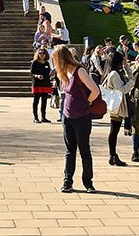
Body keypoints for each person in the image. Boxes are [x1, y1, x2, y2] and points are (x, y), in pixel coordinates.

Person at [53, 45, 100, 193]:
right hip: (67, 116)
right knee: (70, 150)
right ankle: (68, 182)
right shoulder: (63, 72)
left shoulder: (80, 71)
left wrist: (87, 102)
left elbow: (95, 90)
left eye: (55, 60)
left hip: (82, 117)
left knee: (84, 149)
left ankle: (88, 183)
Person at [102, 51, 134, 166]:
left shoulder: (117, 72)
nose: (124, 61)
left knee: (114, 130)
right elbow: (121, 90)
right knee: (114, 130)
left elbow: (130, 77)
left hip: (119, 104)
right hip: (117, 105)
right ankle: (112, 155)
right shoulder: (114, 74)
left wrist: (127, 67)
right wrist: (132, 83)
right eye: (122, 59)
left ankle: (113, 155)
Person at [30, 48, 52, 123]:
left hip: (45, 84)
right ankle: (35, 117)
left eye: (43, 53)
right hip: (37, 84)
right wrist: (37, 76)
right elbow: (31, 74)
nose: (42, 55)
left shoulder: (47, 63)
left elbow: (48, 73)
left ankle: (43, 117)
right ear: (37, 54)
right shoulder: (35, 63)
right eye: (40, 53)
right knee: (36, 101)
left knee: (44, 101)